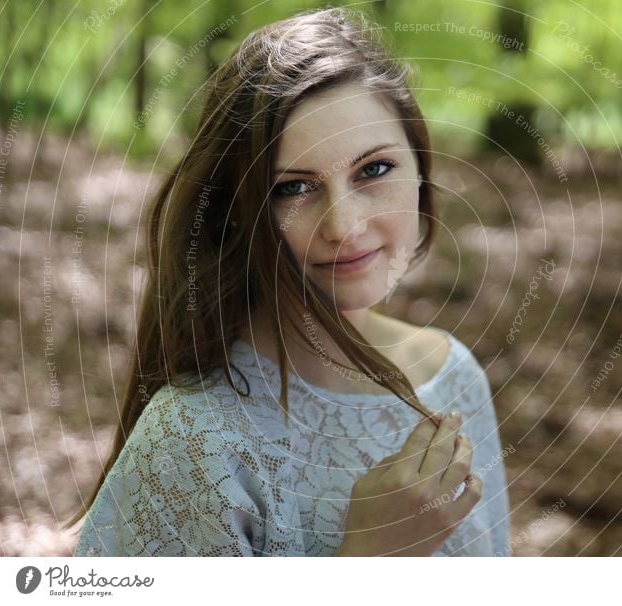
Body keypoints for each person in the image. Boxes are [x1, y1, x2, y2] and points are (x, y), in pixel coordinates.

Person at [67, 6, 511, 557]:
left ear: (420, 169)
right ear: (236, 209)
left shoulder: (455, 378)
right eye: (294, 188)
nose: (345, 227)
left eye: (374, 170)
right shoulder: (193, 439)